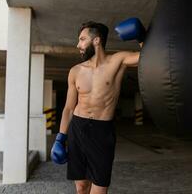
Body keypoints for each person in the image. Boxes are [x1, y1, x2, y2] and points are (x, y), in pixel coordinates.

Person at [51, 18, 145, 194]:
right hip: (77, 129)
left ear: (96, 40)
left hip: (102, 131)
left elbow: (148, 57)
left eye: (82, 39)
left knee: (99, 189)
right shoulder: (75, 71)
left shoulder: (118, 61)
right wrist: (60, 138)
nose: (78, 45)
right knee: (81, 187)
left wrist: (141, 37)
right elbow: (69, 108)